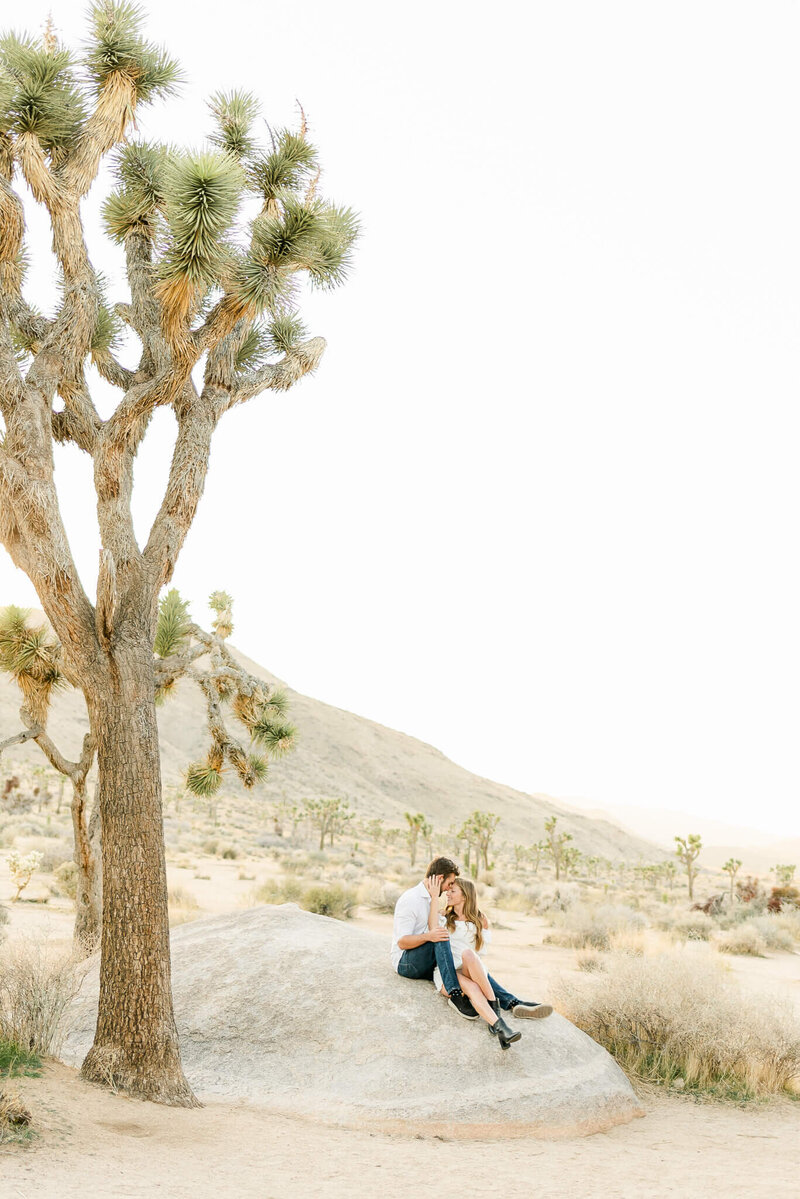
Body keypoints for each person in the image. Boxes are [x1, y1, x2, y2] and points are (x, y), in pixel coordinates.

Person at [391, 855, 553, 1024]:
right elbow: (403, 942)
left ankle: (513, 1003)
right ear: (440, 878)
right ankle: (460, 996)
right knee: (441, 936)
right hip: (409, 961)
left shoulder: (436, 903)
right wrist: (429, 935)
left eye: (452, 889)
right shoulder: (412, 900)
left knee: (473, 965)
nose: (447, 890)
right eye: (449, 885)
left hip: (435, 960)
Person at [431, 876, 521, 1049]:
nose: (448, 893)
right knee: (472, 987)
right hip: (448, 974)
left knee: (469, 954)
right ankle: (500, 1024)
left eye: (453, 890)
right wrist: (435, 897)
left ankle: (499, 1022)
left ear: (464, 896)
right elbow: (432, 928)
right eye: (448, 890)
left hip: (468, 968)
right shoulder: (444, 917)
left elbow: (480, 953)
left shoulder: (480, 920)